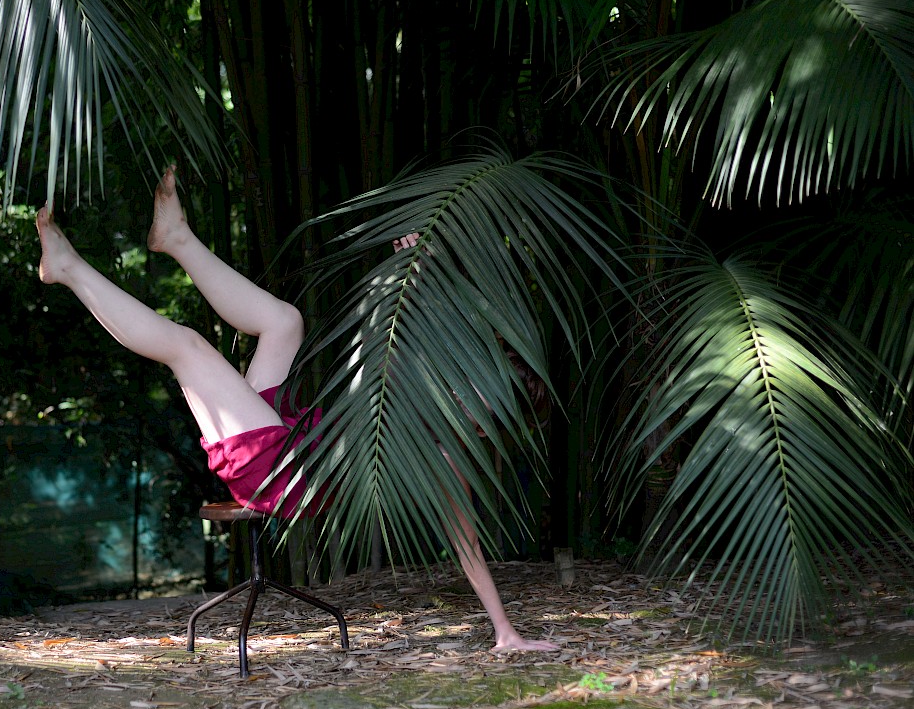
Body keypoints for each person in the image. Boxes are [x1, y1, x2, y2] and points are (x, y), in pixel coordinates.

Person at [36, 165, 557, 651]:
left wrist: (504, 632)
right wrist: (420, 266)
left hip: (279, 472)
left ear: (491, 426)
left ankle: (68, 268)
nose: (470, 386)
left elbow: (467, 548)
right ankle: (175, 239)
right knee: (285, 322)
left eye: (487, 396)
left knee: (189, 347)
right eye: (478, 376)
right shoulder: (430, 391)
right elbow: (427, 323)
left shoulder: (444, 459)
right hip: (291, 432)